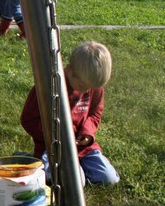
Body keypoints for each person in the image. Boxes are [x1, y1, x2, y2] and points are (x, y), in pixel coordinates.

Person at [21, 41, 120, 186]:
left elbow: (95, 114)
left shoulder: (93, 84)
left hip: (83, 148)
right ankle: (30, 160)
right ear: (69, 70)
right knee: (75, 183)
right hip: (55, 148)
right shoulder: (49, 86)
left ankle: (77, 167)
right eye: (82, 86)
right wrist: (58, 137)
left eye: (91, 88)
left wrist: (87, 134)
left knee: (109, 179)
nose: (87, 91)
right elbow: (28, 120)